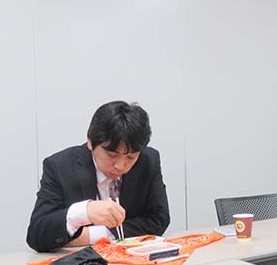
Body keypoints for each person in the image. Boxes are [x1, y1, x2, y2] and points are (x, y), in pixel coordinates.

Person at [27, 101, 170, 252]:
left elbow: (158, 219)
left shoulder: (148, 160)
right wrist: (83, 212)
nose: (120, 166)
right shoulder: (60, 166)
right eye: (112, 155)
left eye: (131, 157)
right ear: (90, 142)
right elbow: (37, 234)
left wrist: (94, 235)